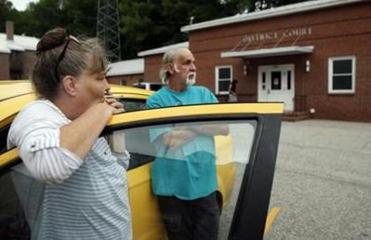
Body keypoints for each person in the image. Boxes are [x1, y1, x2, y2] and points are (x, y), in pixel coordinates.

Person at [7, 28, 132, 240]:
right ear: (71, 85)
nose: (107, 87)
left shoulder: (86, 117)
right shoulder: (37, 114)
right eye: (100, 78)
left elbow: (118, 167)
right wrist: (101, 111)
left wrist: (115, 130)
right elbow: (51, 165)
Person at [146, 47, 228, 240]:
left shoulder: (204, 94)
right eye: (186, 62)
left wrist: (186, 122)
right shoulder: (156, 101)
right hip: (172, 189)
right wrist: (203, 122)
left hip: (205, 185)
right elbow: (170, 140)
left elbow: (224, 127)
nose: (193, 67)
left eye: (193, 62)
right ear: (171, 68)